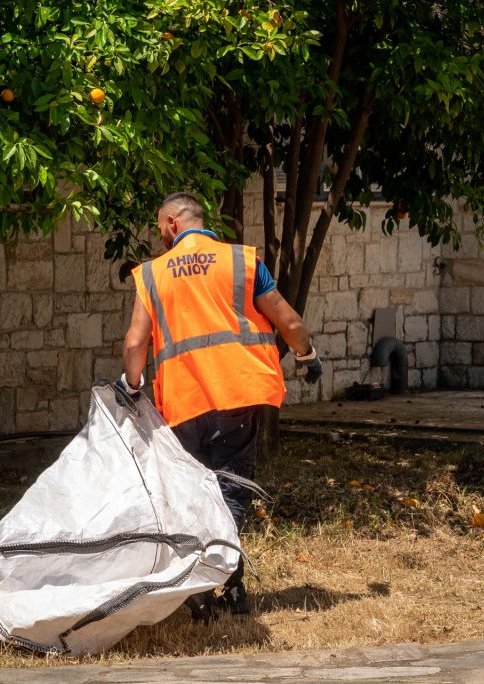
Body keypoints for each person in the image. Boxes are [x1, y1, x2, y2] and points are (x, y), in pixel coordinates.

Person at [117, 192, 322, 619]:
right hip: (236, 397)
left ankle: (208, 585)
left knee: (191, 495)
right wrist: (307, 356)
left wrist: (130, 388)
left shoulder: (152, 275)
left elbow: (136, 343)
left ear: (172, 224)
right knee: (229, 490)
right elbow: (290, 322)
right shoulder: (241, 263)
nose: (160, 235)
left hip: (182, 403)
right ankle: (227, 582)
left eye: (160, 227)